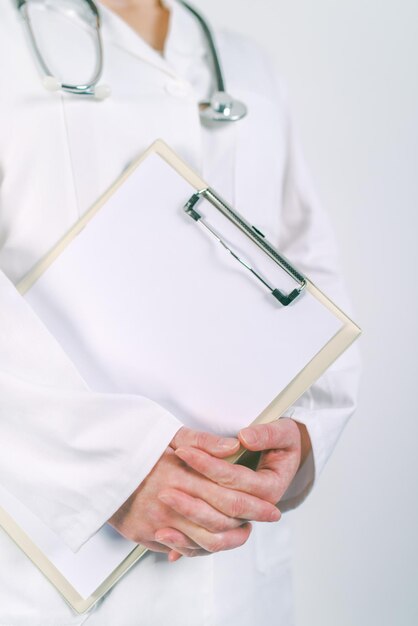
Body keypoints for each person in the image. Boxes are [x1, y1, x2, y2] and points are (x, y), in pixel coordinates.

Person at [0, 1, 360, 624]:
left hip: (240, 570)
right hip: (42, 574)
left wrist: (300, 440)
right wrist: (115, 467)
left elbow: (310, 273)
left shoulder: (245, 66)